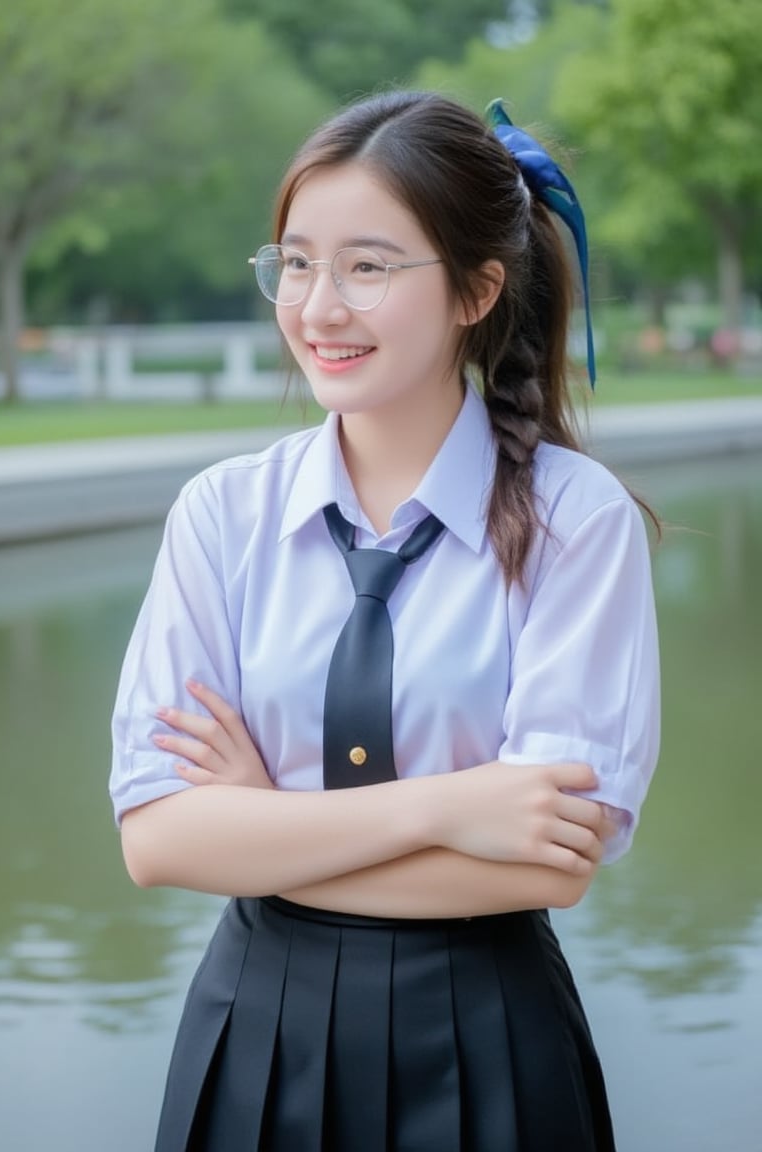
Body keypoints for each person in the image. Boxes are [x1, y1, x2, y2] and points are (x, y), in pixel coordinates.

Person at [110, 90, 660, 1152]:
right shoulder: (223, 515)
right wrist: (455, 804)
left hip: (487, 1038)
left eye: (367, 266)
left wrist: (260, 820)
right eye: (296, 262)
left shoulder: (574, 522)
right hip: (255, 1039)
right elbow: (159, 837)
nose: (317, 307)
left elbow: (551, 866)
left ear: (476, 289)